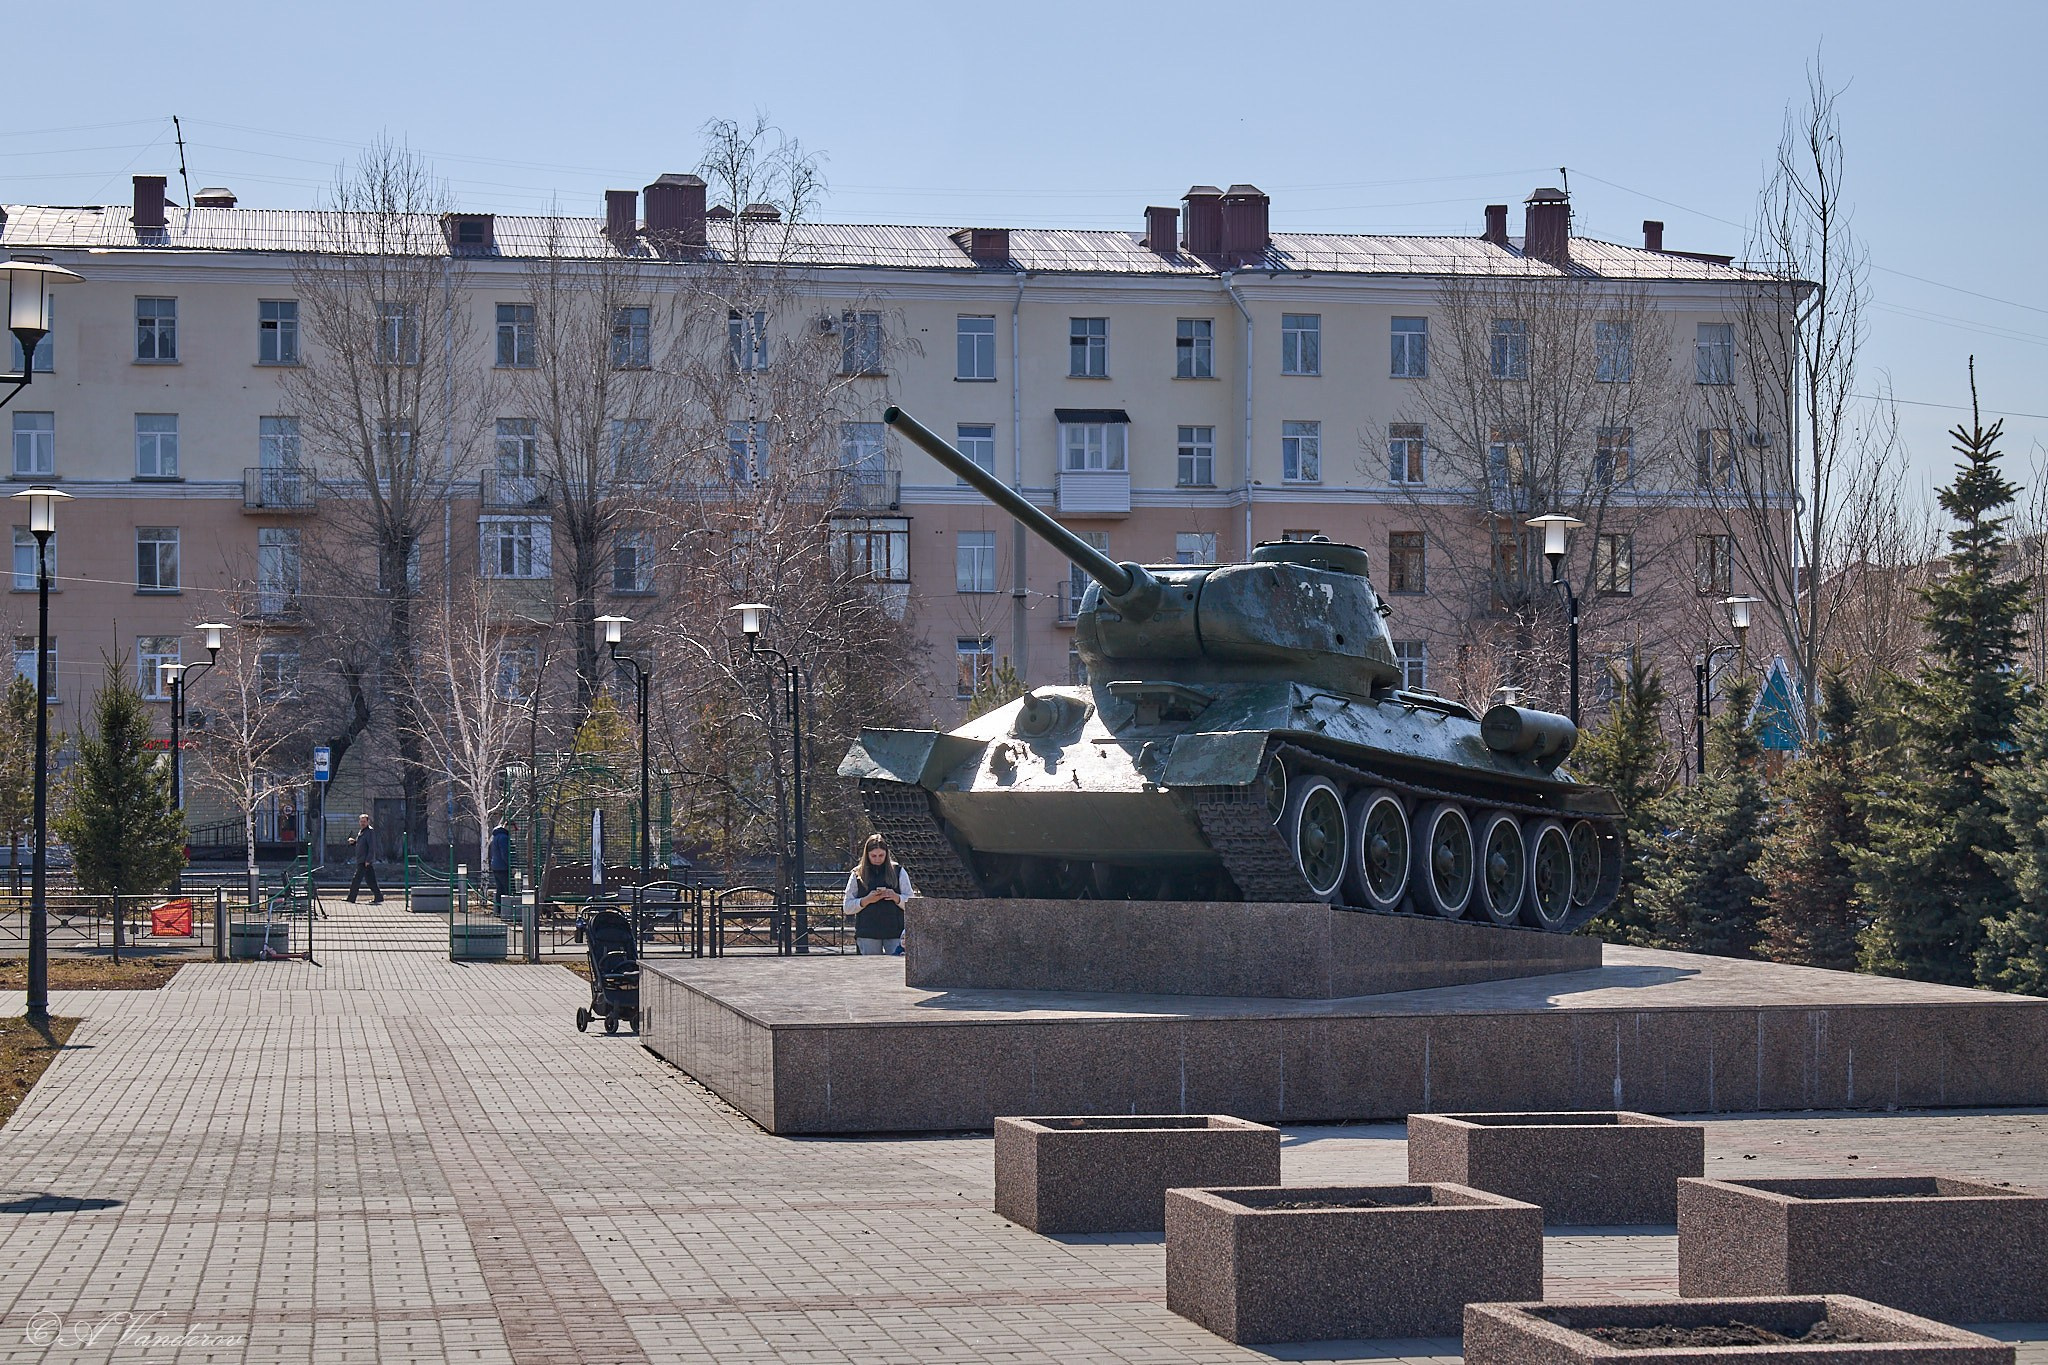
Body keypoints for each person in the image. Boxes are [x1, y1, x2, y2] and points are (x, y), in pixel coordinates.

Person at [844, 834, 913, 956]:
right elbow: (847, 907)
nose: (877, 859)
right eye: (873, 856)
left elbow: (912, 902)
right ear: (867, 855)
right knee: (871, 971)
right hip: (868, 932)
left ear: (886, 854)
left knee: (896, 969)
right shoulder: (857, 873)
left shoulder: (898, 871)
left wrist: (896, 897)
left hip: (894, 932)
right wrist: (866, 900)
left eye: (881, 855)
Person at [346, 814, 383, 904]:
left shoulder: (369, 832)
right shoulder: (362, 831)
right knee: (370, 880)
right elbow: (361, 844)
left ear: (368, 822)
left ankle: (351, 898)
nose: (362, 823)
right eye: (361, 821)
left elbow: (371, 847)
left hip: (364, 861)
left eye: (364, 821)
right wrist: (354, 842)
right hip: (362, 859)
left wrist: (368, 860)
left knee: (356, 879)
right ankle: (379, 897)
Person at [488, 820, 514, 910]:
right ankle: (507, 910)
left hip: (496, 866)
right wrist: (511, 866)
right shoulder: (504, 838)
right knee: (508, 888)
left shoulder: (496, 837)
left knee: (500, 889)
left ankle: (499, 910)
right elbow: (505, 854)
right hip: (503, 867)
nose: (513, 832)